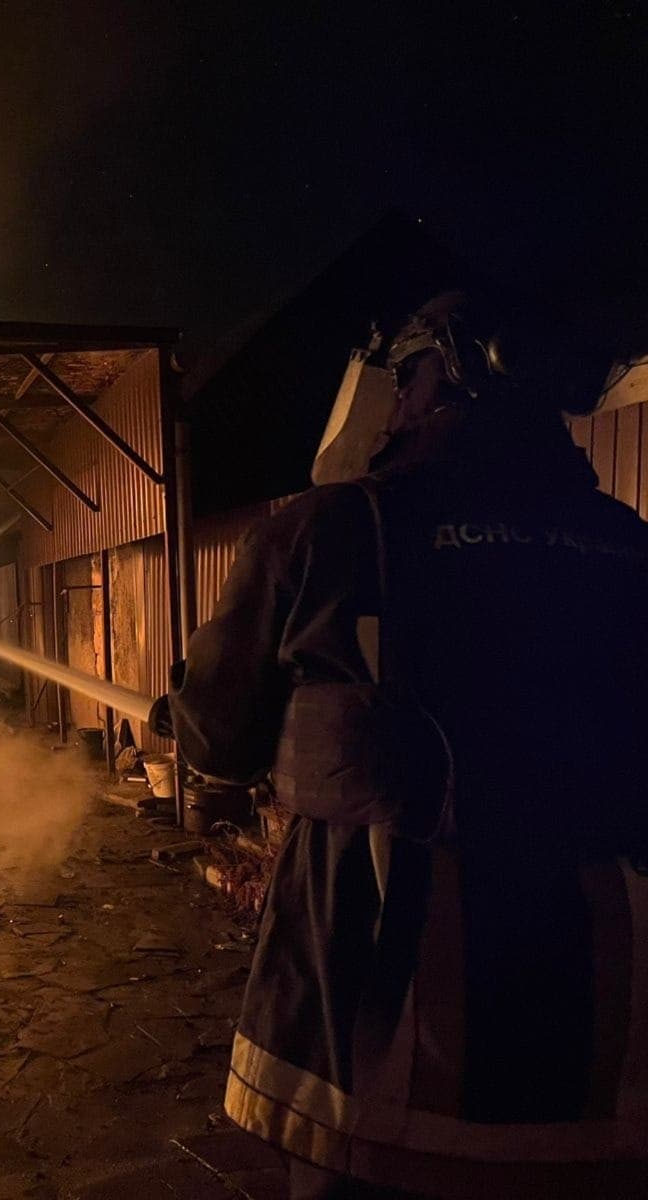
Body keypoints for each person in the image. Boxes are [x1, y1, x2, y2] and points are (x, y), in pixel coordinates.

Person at [155, 293, 648, 1198]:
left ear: (444, 376)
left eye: (405, 372)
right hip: (595, 1013)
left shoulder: (328, 529)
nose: (394, 398)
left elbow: (218, 743)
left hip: (379, 996)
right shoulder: (628, 546)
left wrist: (179, 714)